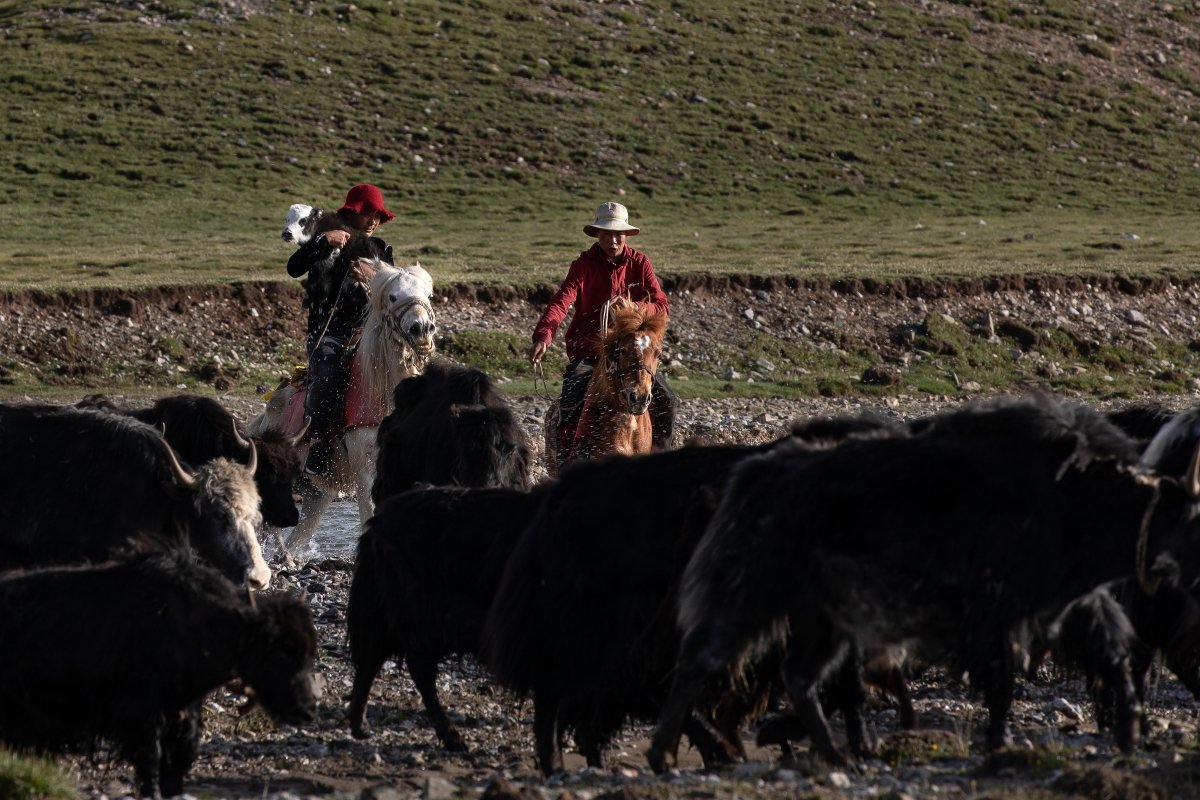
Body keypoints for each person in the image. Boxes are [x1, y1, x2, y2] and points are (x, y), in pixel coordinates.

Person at [528, 201, 677, 469]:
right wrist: (543, 335)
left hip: (634, 348)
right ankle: (566, 459)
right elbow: (562, 302)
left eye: (618, 234)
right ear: (598, 235)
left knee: (666, 398)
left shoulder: (640, 263)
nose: (613, 240)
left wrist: (634, 307)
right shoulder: (583, 266)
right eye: (607, 234)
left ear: (626, 236)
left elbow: (662, 306)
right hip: (590, 350)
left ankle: (661, 460)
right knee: (572, 397)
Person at [287, 183, 395, 476]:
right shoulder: (326, 241)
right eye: (368, 214)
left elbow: (391, 295)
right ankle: (319, 445)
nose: (373, 222)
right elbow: (294, 267)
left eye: (377, 216)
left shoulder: (381, 251)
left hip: (370, 334)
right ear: (352, 212)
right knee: (327, 374)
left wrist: (374, 278)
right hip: (328, 335)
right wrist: (322, 242)